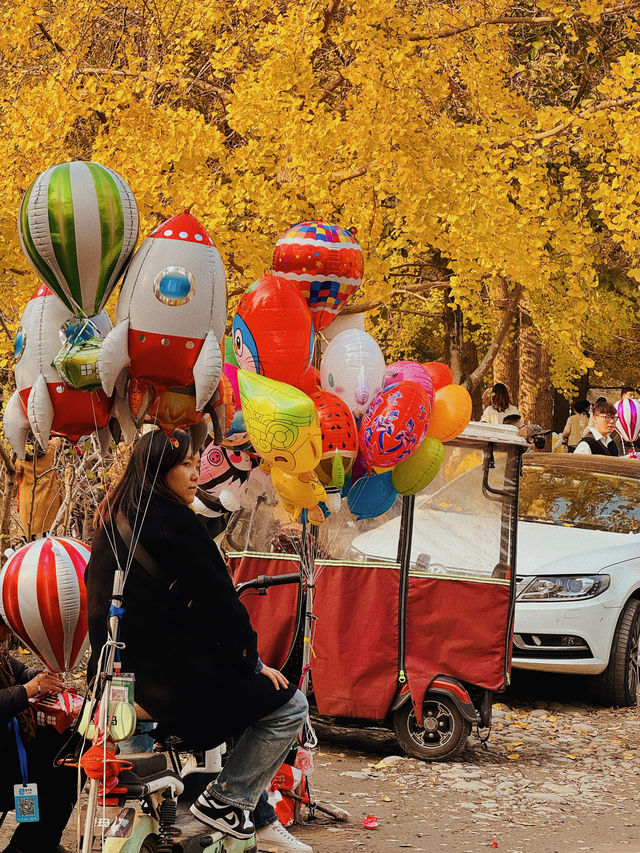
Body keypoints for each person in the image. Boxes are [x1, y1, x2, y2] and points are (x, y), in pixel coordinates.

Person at [85, 429, 310, 849]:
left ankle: (254, 816)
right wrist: (252, 660)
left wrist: (106, 682)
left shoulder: (110, 518)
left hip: (117, 688)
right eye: (185, 465)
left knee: (144, 791)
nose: (194, 475)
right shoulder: (176, 523)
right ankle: (227, 800)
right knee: (288, 704)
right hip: (171, 687)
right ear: (160, 469)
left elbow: (99, 607)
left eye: (195, 463)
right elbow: (221, 602)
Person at [0, 615, 78, 853]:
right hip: (4, 765)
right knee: (61, 774)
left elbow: (18, 670)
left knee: (72, 751)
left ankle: (34, 843)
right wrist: (29, 690)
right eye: (3, 629)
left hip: (12, 750)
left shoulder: (1, 653)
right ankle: (30, 846)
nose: (6, 636)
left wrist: (41, 677)